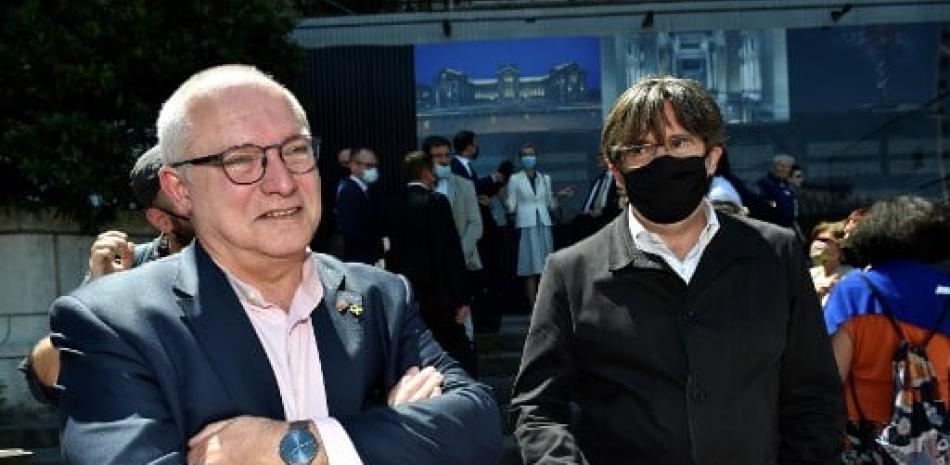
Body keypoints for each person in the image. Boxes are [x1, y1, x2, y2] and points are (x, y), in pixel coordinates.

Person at [49, 64, 501, 465]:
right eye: (241, 160)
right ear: (180, 189)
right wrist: (392, 433)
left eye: (296, 151)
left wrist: (301, 448)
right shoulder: (114, 322)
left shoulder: (378, 296)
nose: (283, 182)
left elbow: (477, 430)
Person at [510, 76, 844, 465]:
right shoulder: (572, 272)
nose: (661, 160)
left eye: (678, 143)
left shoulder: (774, 253)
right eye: (641, 148)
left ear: (711, 158)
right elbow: (538, 409)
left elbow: (814, 396)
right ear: (617, 171)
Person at [19, 145, 193, 406]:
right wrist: (104, 295)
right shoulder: (131, 268)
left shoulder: (258, 256)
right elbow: (44, 378)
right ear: (161, 220)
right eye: (188, 199)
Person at [823, 196, 949, 453]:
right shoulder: (945, 289)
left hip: (868, 437)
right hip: (940, 439)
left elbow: (830, 378)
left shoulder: (854, 291)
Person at [387, 150, 477, 375]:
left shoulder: (393, 204)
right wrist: (461, 298)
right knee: (456, 355)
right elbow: (450, 253)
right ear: (427, 172)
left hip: (406, 294)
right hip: (440, 295)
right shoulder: (436, 202)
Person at [426, 135, 484, 336]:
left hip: (463, 260)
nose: (443, 160)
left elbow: (475, 223)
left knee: (464, 318)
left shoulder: (463, 184)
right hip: (432, 265)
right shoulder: (422, 188)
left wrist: (458, 253)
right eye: (437, 156)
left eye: (446, 155)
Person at [505, 143, 572, 310]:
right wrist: (500, 194)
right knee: (529, 269)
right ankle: (533, 309)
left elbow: (550, 204)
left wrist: (561, 196)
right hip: (527, 226)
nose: (529, 158)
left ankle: (547, 306)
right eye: (525, 155)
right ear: (521, 159)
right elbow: (511, 205)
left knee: (545, 267)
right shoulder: (515, 179)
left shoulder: (544, 178)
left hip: (543, 223)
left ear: (536, 157)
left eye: (532, 154)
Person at [336, 147, 385, 265]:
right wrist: (377, 244)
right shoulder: (349, 192)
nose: (373, 170)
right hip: (358, 259)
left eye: (375, 166)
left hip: (369, 258)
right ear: (353, 166)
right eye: (369, 166)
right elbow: (351, 231)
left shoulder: (368, 191)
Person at [808, 221, 853, 306]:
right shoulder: (809, 274)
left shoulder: (851, 276)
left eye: (824, 240)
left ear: (840, 247)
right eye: (816, 239)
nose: (817, 244)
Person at [756, 153, 797, 229]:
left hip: (788, 228)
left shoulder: (787, 185)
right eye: (781, 166)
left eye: (787, 167)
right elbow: (767, 204)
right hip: (773, 227)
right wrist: (777, 206)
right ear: (774, 167)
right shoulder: (764, 184)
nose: (784, 169)